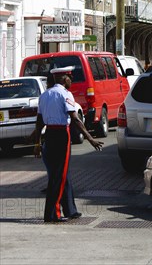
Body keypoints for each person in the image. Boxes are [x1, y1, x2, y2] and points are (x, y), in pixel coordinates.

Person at [34, 66, 104, 223]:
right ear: (64, 79)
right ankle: (52, 214)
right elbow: (75, 118)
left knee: (61, 174)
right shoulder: (65, 94)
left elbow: (39, 122)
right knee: (58, 177)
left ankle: (70, 210)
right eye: (70, 78)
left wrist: (37, 143)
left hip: (49, 135)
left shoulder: (44, 95)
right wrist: (90, 138)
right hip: (61, 136)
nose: (71, 81)